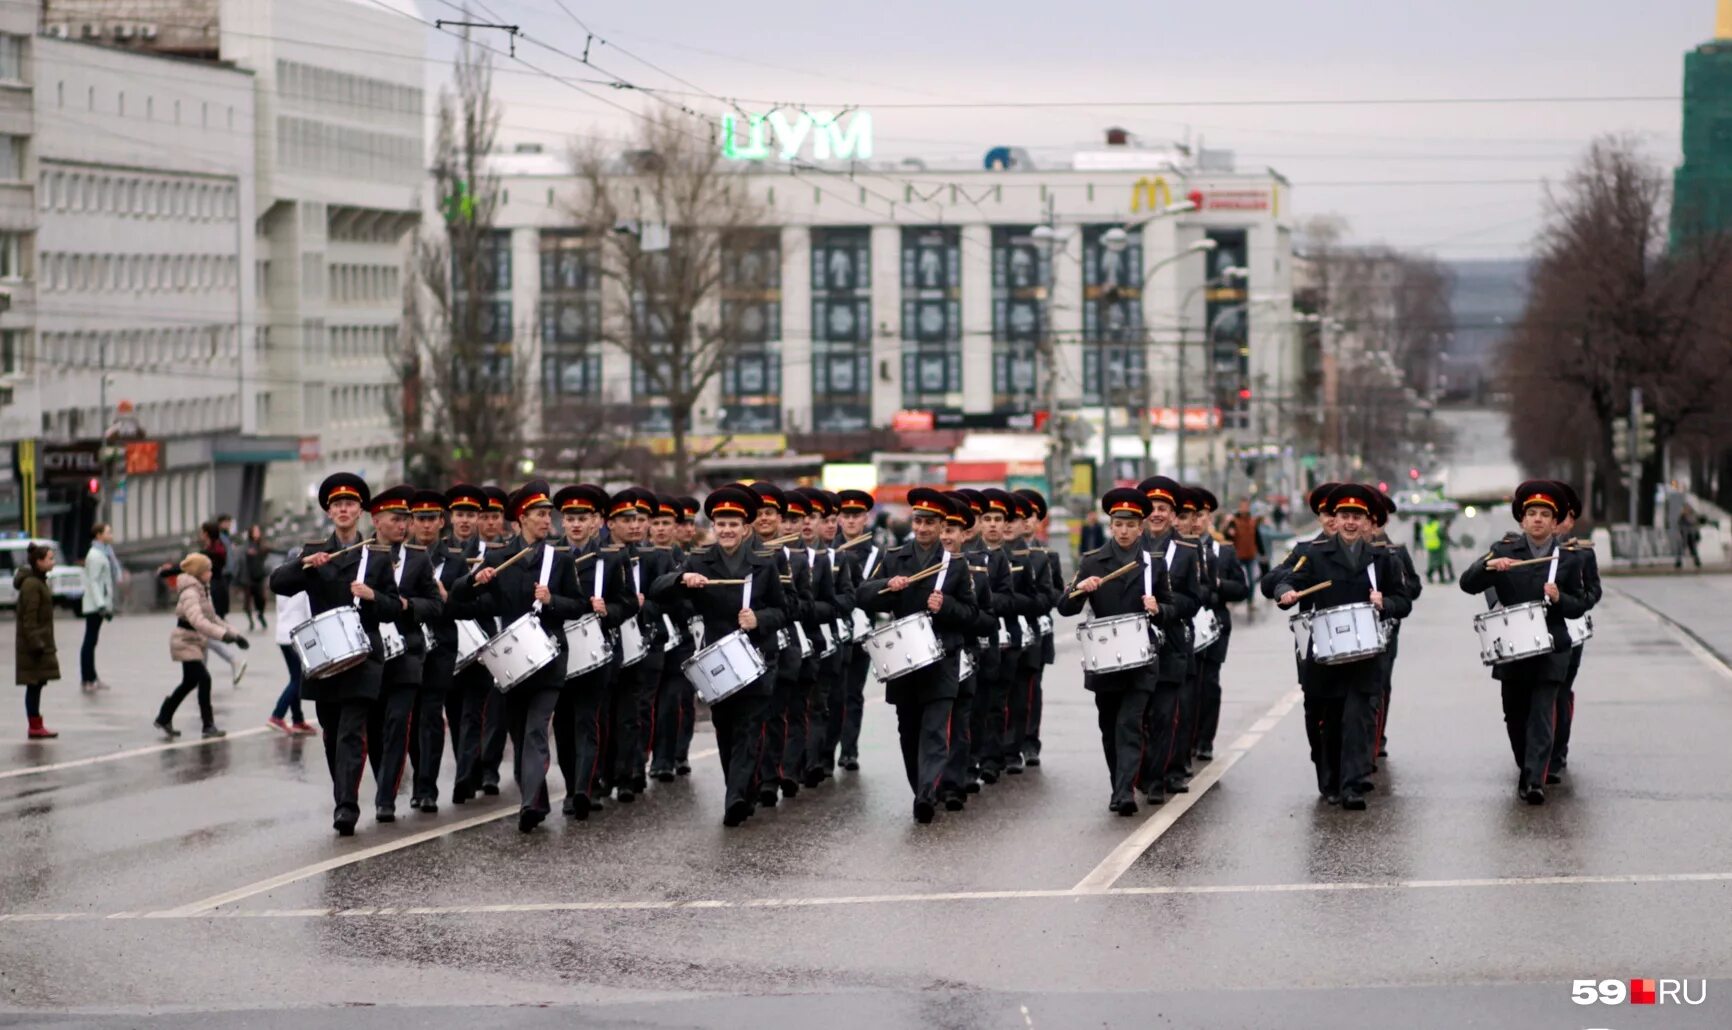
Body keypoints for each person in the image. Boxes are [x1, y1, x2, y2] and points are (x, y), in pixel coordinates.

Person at [450, 481, 587, 833]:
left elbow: (579, 606)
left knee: (537, 731)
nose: (548, 520)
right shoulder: (498, 558)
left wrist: (552, 599)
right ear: (521, 518)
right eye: (541, 515)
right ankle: (536, 800)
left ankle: (528, 804)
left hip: (549, 661)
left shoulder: (560, 559)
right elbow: (458, 604)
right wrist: (473, 579)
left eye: (548, 515)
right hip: (511, 664)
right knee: (520, 733)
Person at [650, 486, 791, 826]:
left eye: (733, 524)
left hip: (757, 658)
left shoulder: (764, 563)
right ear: (714, 527)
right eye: (720, 524)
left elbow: (784, 610)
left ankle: (735, 798)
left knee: (749, 728)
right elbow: (658, 590)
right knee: (725, 730)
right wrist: (683, 578)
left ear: (746, 528)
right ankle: (740, 788)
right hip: (716, 661)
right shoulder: (699, 560)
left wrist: (759, 619)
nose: (726, 530)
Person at [270, 473, 401, 836]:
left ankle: (346, 805)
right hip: (325, 660)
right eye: (337, 505)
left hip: (363, 658)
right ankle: (342, 793)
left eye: (350, 504)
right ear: (330, 512)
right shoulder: (314, 551)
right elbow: (278, 583)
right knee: (331, 733)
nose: (344, 509)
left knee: (350, 731)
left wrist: (374, 596)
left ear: (360, 511)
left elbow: (393, 607)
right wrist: (304, 565)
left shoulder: (375, 556)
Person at [1276, 484, 1414, 810]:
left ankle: (1353, 785)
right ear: (1334, 520)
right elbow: (1281, 580)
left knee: (1359, 720)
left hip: (1366, 654)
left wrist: (1387, 602)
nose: (1350, 522)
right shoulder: (1313, 555)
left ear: (1366, 521)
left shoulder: (1381, 558)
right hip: (1324, 655)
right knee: (1329, 722)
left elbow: (1404, 600)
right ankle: (1331, 780)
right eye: (1344, 516)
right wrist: (1286, 592)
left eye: (1356, 516)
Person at [1459, 480, 1592, 805]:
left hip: (1552, 647)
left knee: (1543, 713)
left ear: (1554, 520)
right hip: (1512, 649)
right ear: (1522, 519)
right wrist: (1487, 567)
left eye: (1545, 514)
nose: (1537, 519)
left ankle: (1534, 780)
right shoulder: (1504, 550)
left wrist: (1561, 599)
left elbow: (1584, 600)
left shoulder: (1571, 557)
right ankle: (1526, 764)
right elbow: (1468, 583)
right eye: (1531, 513)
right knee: (1515, 715)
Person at [853, 488, 979, 824]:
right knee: (908, 732)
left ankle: (927, 795)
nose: (923, 528)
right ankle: (920, 788)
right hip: (903, 662)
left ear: (941, 526)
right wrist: (886, 588)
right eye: (919, 521)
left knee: (936, 731)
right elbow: (862, 595)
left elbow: (972, 614)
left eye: (930, 523)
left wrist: (946, 606)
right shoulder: (895, 557)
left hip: (943, 660)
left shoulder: (956, 565)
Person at [1059, 488, 1174, 815]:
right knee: (1109, 727)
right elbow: (1064, 608)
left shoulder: (1153, 563)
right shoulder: (1092, 560)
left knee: (1129, 724)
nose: (1123, 530)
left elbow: (1171, 604)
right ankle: (1119, 782)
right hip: (1105, 660)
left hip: (1140, 659)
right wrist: (1080, 589)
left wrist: (1158, 608)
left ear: (1141, 528)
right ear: (1111, 526)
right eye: (1118, 524)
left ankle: (1123, 792)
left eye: (1130, 525)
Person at [364, 486, 440, 824]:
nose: (403, 525)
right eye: (396, 519)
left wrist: (409, 606)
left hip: (408, 651)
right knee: (375, 726)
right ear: (377, 520)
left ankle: (386, 798)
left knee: (397, 723)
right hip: (370, 652)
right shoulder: (361, 554)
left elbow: (435, 605)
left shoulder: (418, 557)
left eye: (405, 519)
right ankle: (384, 780)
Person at [1137, 477, 1205, 804]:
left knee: (1166, 714)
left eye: (1164, 508)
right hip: (1133, 644)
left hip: (1172, 642)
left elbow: (1194, 599)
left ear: (1174, 516)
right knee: (1137, 714)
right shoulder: (1128, 546)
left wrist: (1164, 608)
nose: (1157, 514)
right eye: (1151, 508)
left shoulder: (1188, 551)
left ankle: (1158, 777)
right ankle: (1137, 774)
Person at [155, 552, 246, 739]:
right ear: (199, 572)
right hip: (185, 640)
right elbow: (198, 621)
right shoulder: (190, 592)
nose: (211, 573)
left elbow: (213, 618)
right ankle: (208, 725)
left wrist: (236, 635)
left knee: (190, 682)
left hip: (194, 641)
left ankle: (164, 716)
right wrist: (223, 636)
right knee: (204, 679)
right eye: (208, 570)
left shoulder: (202, 588)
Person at [829, 489, 880, 772]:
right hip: (834, 630)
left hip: (862, 633)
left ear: (865, 518)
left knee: (852, 693)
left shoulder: (876, 553)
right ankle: (826, 748)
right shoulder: (828, 550)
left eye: (856, 515)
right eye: (846, 515)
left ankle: (849, 750)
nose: (850, 521)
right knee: (832, 694)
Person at [16, 542, 61, 739]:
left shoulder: (38, 581)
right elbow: (29, 618)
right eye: (50, 559)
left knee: (37, 685)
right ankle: (34, 725)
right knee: (33, 685)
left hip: (39, 644)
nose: (53, 562)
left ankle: (36, 724)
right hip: (34, 647)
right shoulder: (32, 585)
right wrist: (36, 643)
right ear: (39, 561)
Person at [200, 522, 247, 688]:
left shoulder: (209, 552)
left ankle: (233, 661)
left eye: (202, 532)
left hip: (213, 591)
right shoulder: (218, 547)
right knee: (206, 633)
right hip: (219, 590)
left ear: (206, 534)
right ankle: (201, 675)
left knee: (205, 634)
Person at [268, 588, 317, 734]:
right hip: (297, 634)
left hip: (282, 634)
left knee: (295, 678)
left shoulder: (283, 581)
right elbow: (309, 610)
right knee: (299, 680)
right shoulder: (303, 585)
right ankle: (277, 715)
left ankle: (298, 720)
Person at [79, 523, 117, 693]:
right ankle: (88, 678)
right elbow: (94, 582)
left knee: (92, 641)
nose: (111, 534)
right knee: (89, 641)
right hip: (95, 605)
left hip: (99, 604)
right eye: (108, 532)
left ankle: (91, 677)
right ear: (99, 535)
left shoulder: (103, 552)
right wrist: (102, 605)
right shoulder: (95, 555)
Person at [1224, 499, 1265, 595]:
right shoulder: (1234, 521)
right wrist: (1229, 533)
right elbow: (1227, 537)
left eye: (1246, 506)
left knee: (1251, 580)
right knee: (1239, 579)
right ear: (1239, 507)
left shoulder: (1253, 521)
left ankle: (1250, 602)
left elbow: (1257, 537)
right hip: (1238, 555)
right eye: (1242, 506)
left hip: (1250, 555)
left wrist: (1262, 552)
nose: (1244, 508)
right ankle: (1238, 597)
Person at [239, 525, 270, 632]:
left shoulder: (262, 545)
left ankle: (260, 615)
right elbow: (242, 556)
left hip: (259, 577)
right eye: (255, 531)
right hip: (248, 578)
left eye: (258, 531)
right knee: (247, 602)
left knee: (261, 599)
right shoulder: (247, 545)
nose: (257, 533)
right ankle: (250, 621)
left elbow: (269, 552)